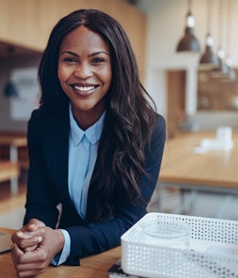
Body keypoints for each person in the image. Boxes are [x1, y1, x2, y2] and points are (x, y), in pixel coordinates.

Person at [11, 8, 166, 277]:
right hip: (64, 261)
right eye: (70, 60)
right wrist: (34, 236)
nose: (83, 73)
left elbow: (129, 219)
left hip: (117, 257)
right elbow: (41, 203)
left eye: (97, 61)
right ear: (55, 66)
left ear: (116, 67)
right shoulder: (42, 123)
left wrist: (61, 239)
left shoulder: (148, 128)